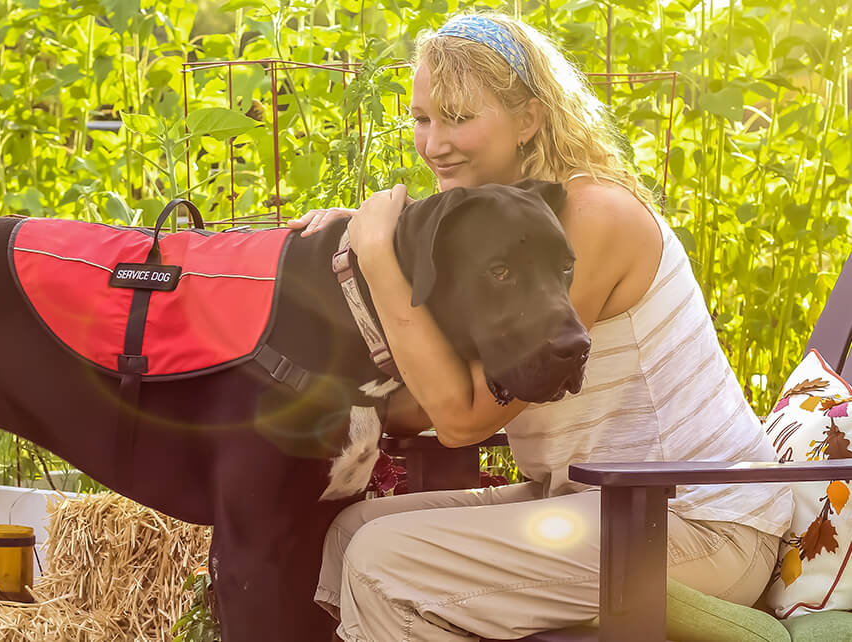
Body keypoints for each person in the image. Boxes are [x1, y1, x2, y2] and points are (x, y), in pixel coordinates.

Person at [286, 12, 792, 641]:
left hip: (697, 526)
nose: (434, 144)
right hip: (599, 507)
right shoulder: (502, 230)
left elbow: (463, 418)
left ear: (528, 118)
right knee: (350, 533)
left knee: (384, 560)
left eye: (459, 117)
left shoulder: (590, 217)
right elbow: (425, 390)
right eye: (422, 119)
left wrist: (380, 252)